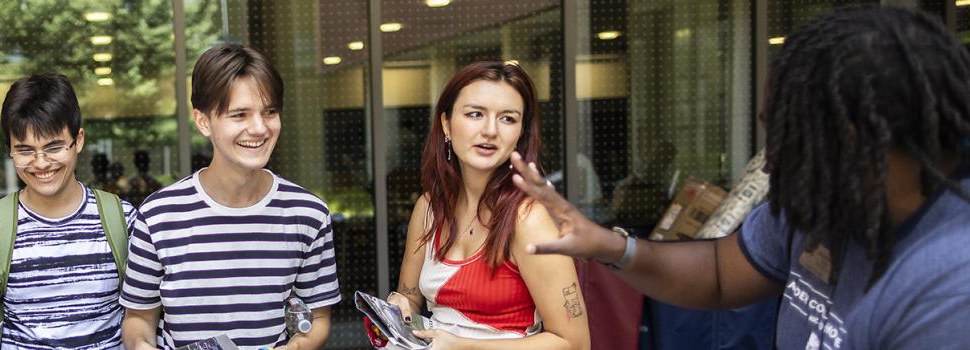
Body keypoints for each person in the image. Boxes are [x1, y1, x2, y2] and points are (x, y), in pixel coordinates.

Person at [509, 6, 970, 349]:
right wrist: (607, 244)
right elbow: (718, 275)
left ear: (852, 139)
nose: (769, 165)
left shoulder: (951, 287)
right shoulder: (820, 207)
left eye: (784, 140)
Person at [121, 43, 340, 350]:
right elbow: (138, 319)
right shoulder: (158, 215)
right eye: (239, 115)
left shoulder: (308, 214)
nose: (259, 128)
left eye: (270, 112)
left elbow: (317, 318)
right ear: (203, 121)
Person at [384, 61, 589, 349]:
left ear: (520, 132)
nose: (490, 130)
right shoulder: (429, 209)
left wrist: (461, 345)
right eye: (475, 114)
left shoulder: (528, 219)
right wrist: (398, 306)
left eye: (508, 118)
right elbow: (411, 297)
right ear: (447, 124)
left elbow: (575, 343)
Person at [0, 74, 138, 349]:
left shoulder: (123, 221)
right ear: (10, 150)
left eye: (53, 147)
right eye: (25, 150)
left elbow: (142, 321)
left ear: (79, 139)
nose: (41, 163)